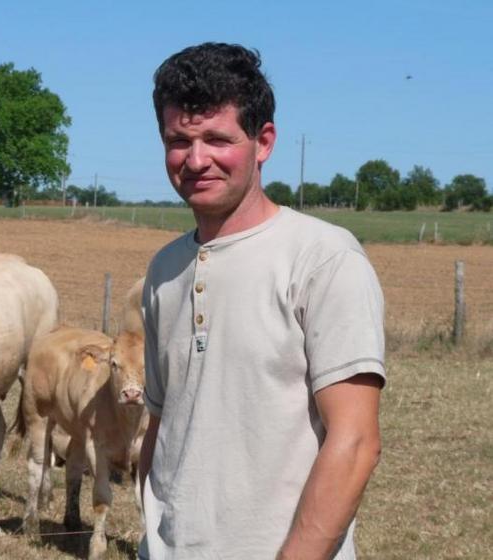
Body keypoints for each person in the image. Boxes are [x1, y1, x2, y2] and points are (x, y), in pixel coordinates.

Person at [138, 42, 385, 560]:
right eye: (178, 140)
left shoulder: (322, 258)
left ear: (263, 141)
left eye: (216, 139)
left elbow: (356, 441)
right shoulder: (163, 271)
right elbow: (162, 424)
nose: (196, 160)